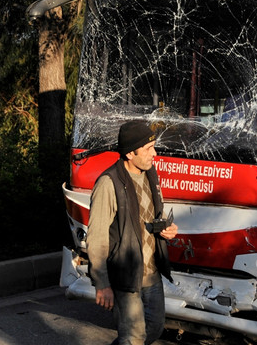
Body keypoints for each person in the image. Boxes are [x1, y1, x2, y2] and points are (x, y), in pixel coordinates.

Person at [86, 121, 178, 345]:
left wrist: (166, 228)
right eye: (148, 149)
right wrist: (102, 284)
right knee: (134, 337)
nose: (154, 154)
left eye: (153, 147)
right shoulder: (109, 184)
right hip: (125, 275)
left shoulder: (150, 174)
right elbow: (96, 238)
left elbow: (155, 215)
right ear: (129, 153)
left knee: (154, 328)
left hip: (152, 272)